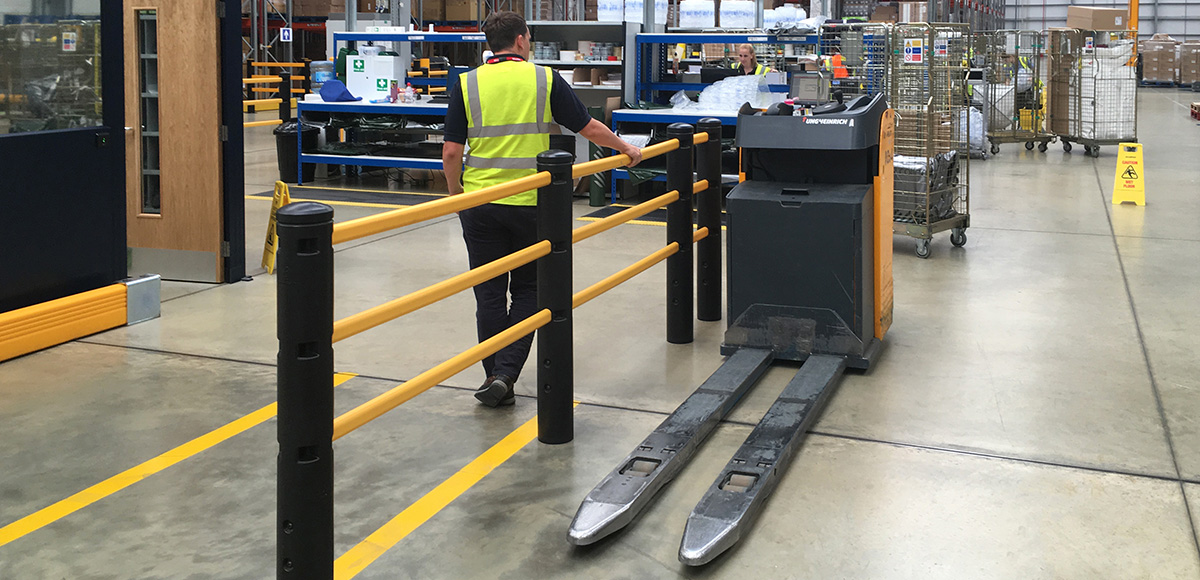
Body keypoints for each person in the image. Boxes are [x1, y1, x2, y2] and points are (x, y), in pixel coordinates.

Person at [442, 11, 642, 408]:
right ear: (520, 40)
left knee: (489, 295)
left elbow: (450, 151)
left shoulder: (466, 83)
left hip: (480, 204)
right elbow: (587, 127)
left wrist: (456, 194)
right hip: (532, 203)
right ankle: (505, 373)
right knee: (532, 290)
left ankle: (496, 378)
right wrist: (627, 149)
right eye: (529, 38)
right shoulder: (544, 78)